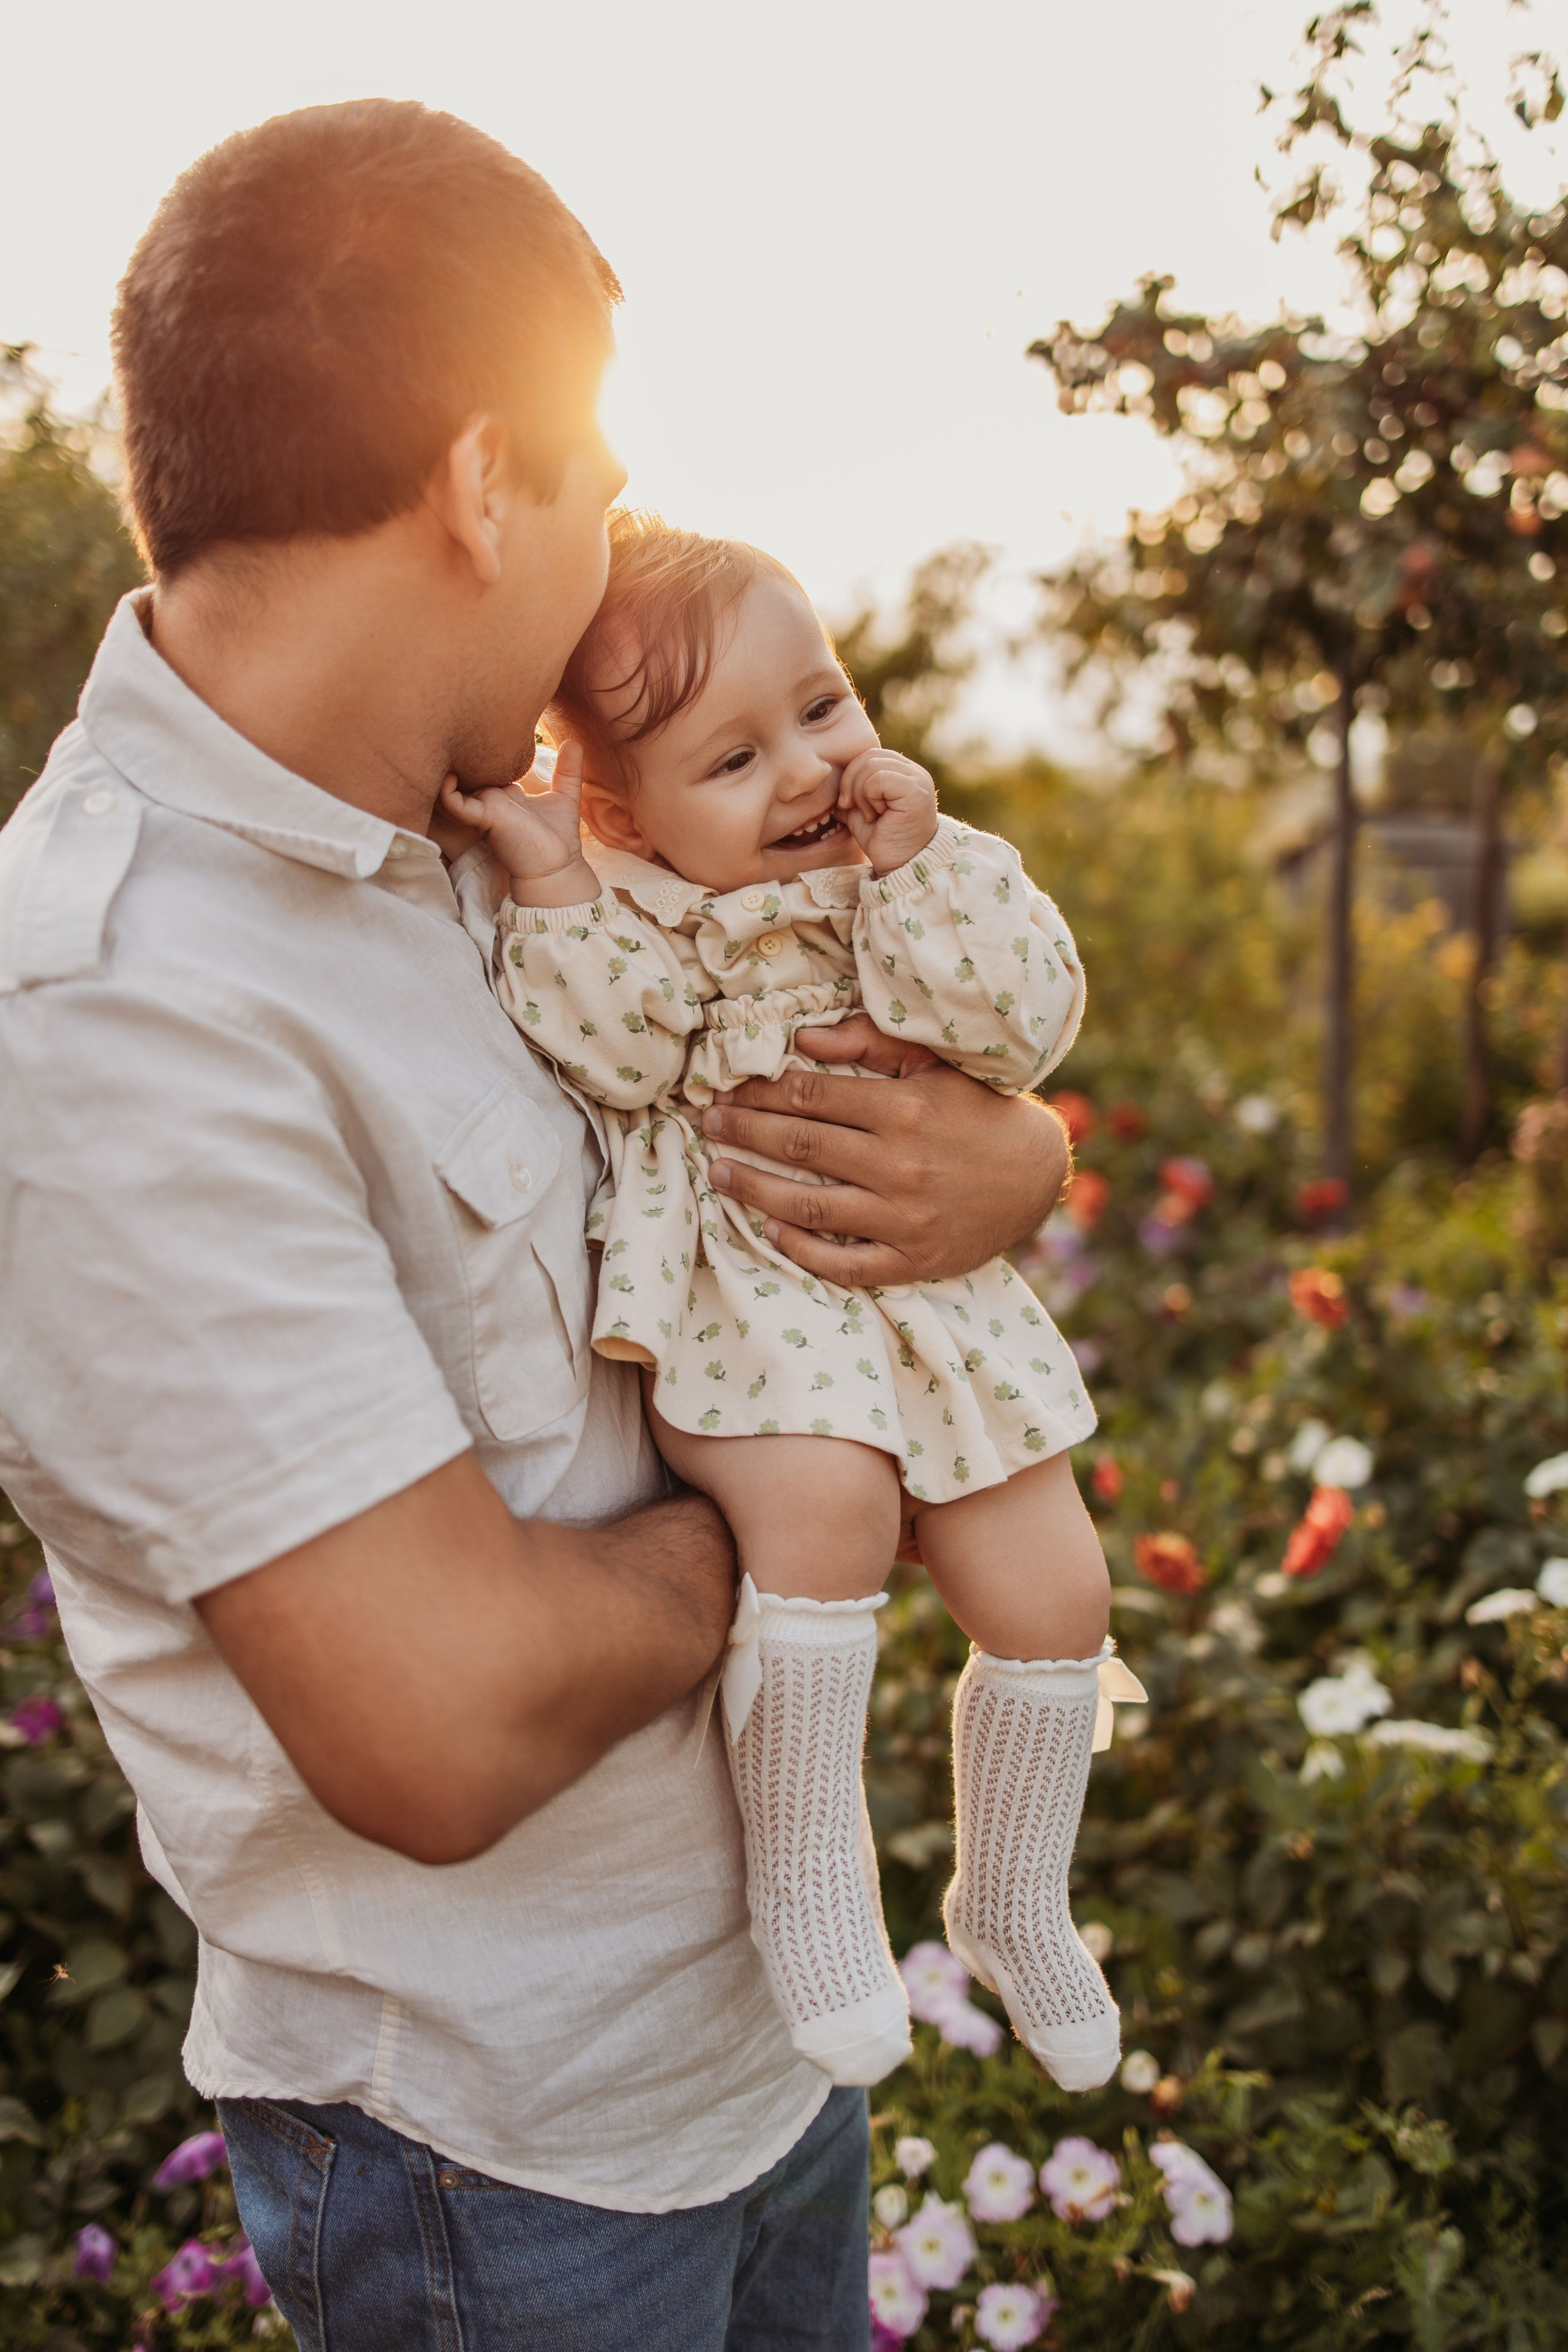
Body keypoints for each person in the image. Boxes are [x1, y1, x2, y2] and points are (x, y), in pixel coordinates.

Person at [0, 99, 1072, 2351]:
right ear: (491, 482)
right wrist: (823, 1510)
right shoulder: (108, 1013)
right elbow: (448, 1720)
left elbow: (792, 1077)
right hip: (503, 2162)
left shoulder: (478, 827)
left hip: (762, 2052)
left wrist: (1011, 1169)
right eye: (593, 494)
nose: (611, 582)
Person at [443, 512, 1136, 2101]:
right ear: (625, 811)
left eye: (821, 709)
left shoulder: (923, 869)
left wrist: (918, 866)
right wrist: (551, 879)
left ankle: (1016, 1896)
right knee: (821, 1516)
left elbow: (1019, 1025)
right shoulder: (648, 918)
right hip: (751, 1299)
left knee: (1057, 1588)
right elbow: (614, 1057)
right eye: (733, 759)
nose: (811, 771)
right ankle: (814, 1887)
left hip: (932, 1305)